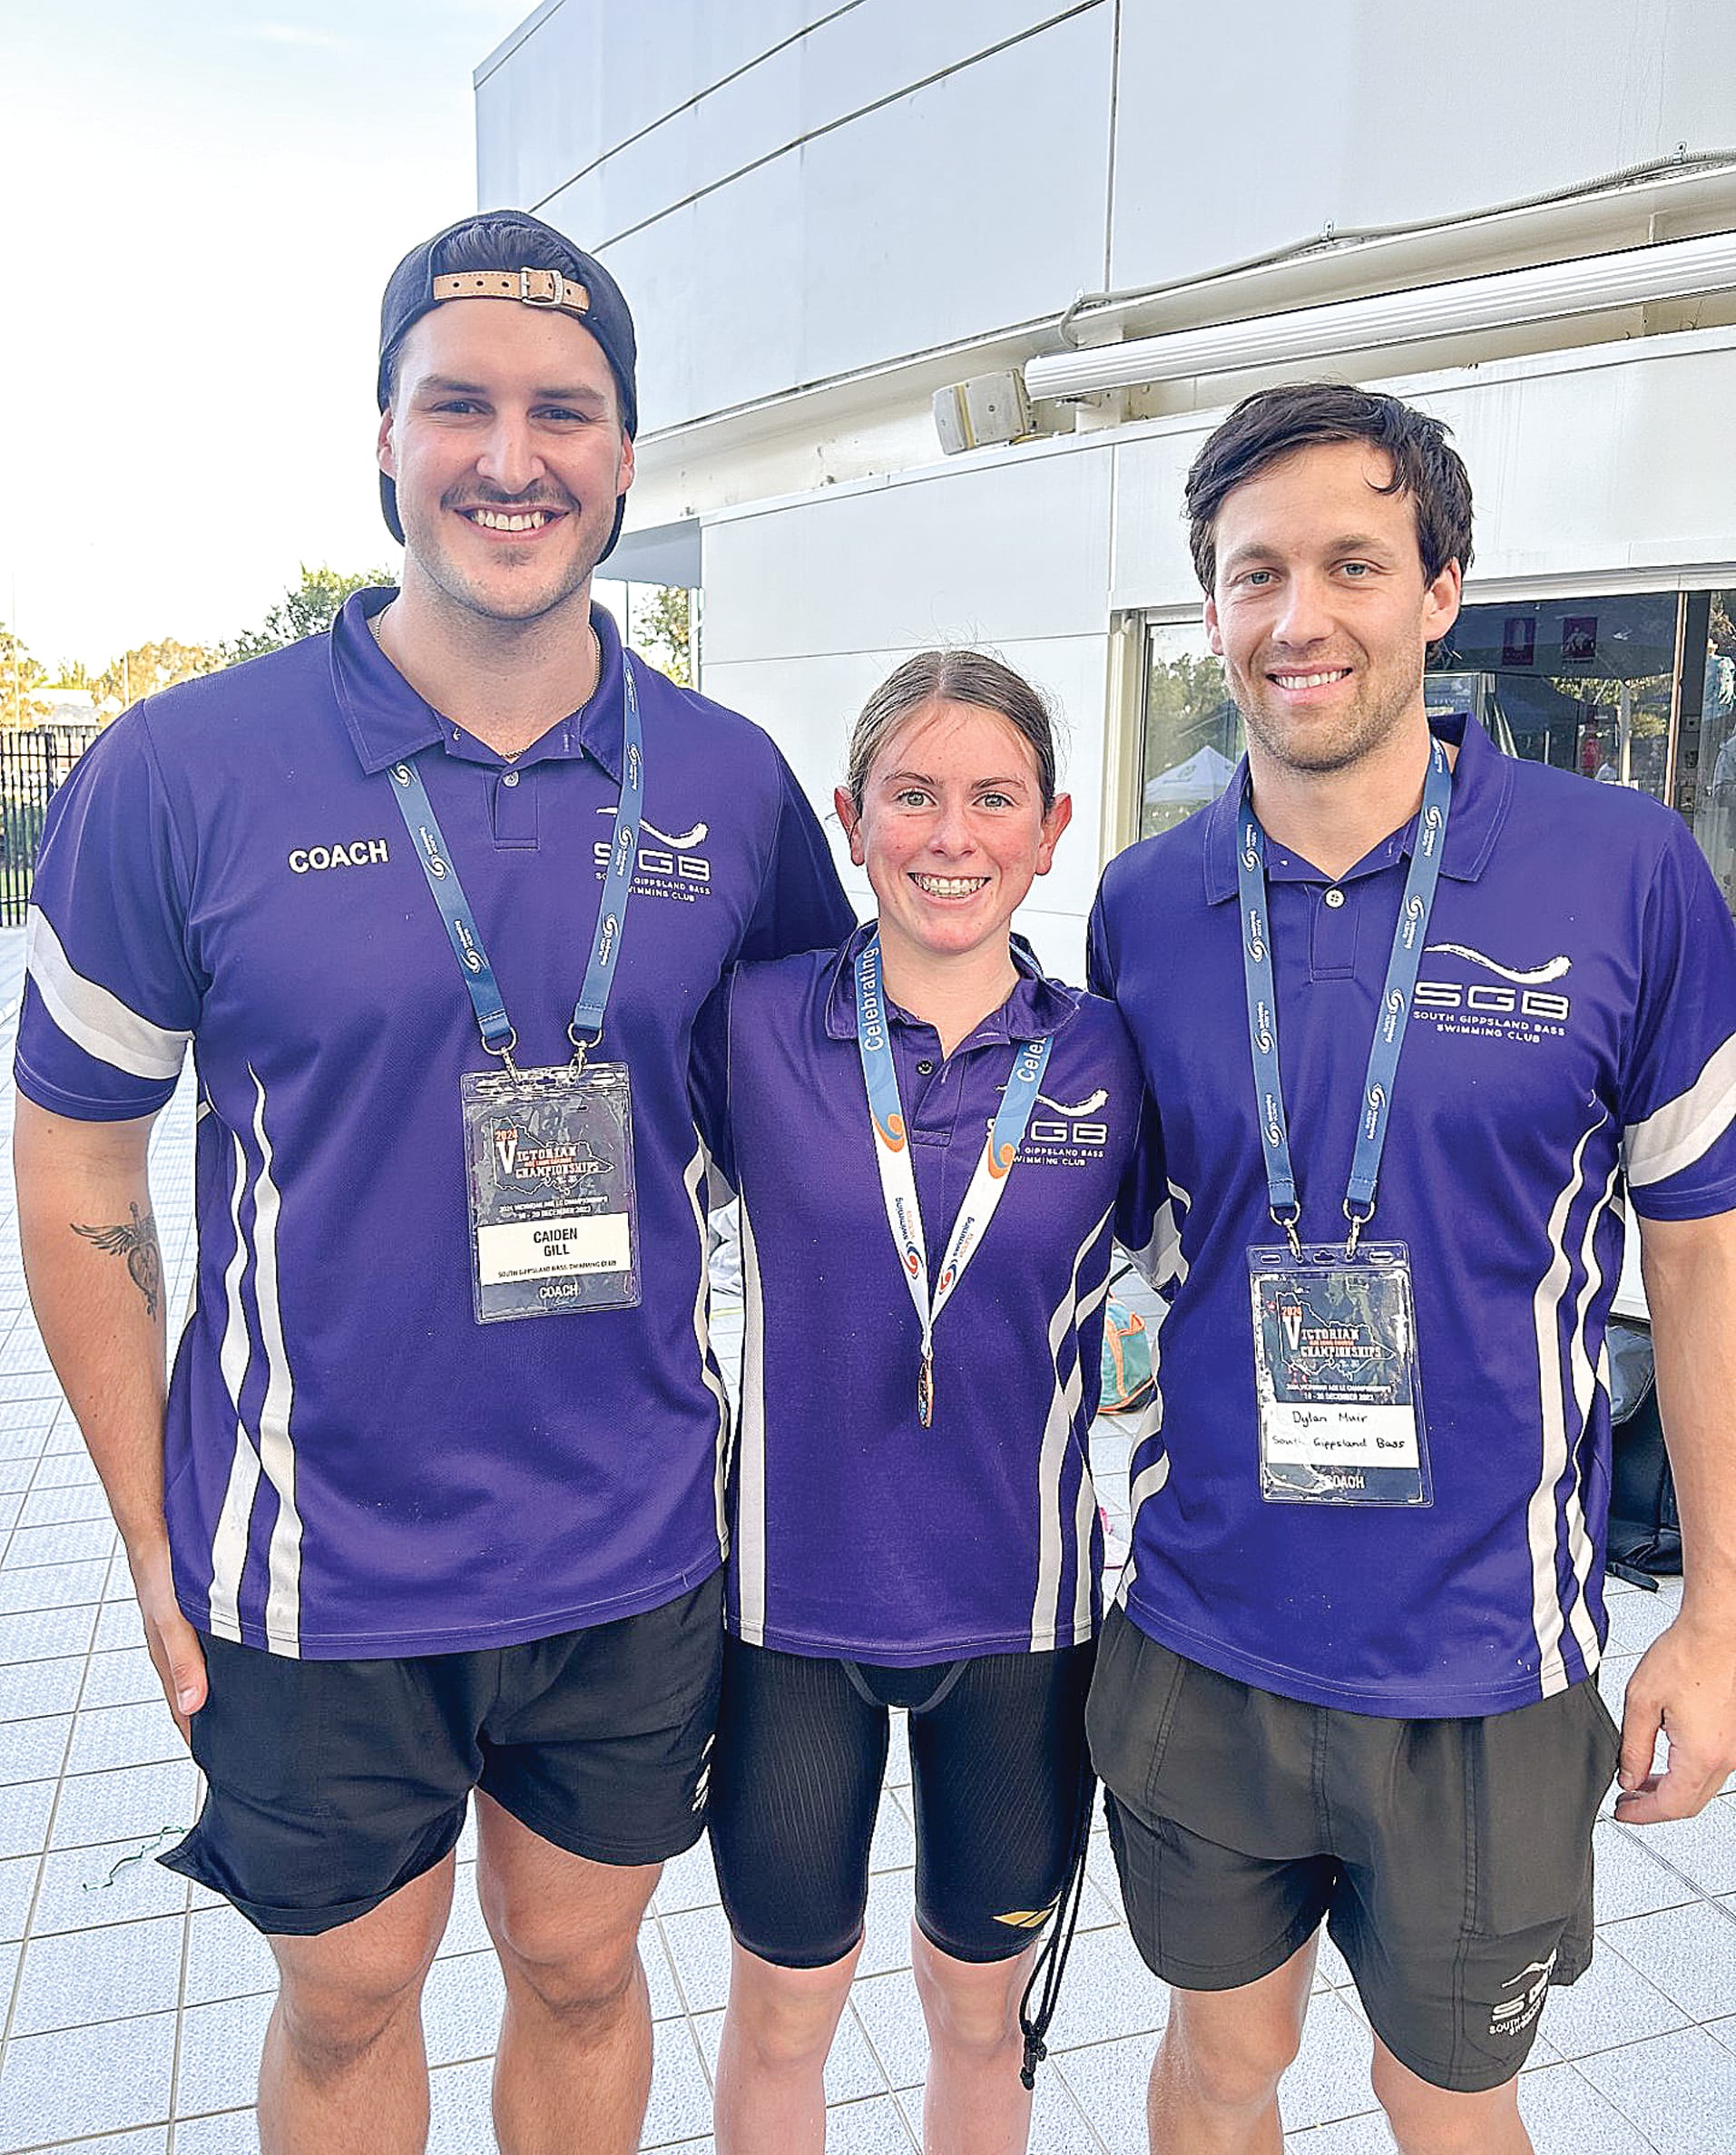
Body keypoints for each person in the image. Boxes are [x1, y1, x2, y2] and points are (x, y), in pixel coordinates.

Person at [11, 211, 853, 2155]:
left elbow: (826, 1116)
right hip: (316, 1564)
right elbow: (73, 1151)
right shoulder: (180, 772)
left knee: (578, 1969)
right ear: (382, 441)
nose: (510, 454)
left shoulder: (729, 788)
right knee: (346, 1996)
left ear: (629, 459)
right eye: (456, 402)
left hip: (634, 1551)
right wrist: (150, 1537)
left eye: (564, 412)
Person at [1087, 382, 1736, 2155]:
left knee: (1447, 2100)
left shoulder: (1625, 874)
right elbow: (1134, 1253)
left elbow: (1702, 1261)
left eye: (1352, 564)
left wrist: (1723, 1613)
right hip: (1201, 1632)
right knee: (1222, 2071)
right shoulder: (1145, 909)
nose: (1299, 619)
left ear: (1442, 590)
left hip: (1486, 1665)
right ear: (1211, 607)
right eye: (1253, 574)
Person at [691, 651, 1147, 2154]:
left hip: (1020, 1624)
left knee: (975, 2015)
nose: (950, 836)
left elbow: (1183, 1294)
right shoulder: (750, 1026)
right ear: (849, 816)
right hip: (789, 1616)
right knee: (779, 2014)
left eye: (991, 799)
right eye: (913, 795)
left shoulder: (1106, 1056)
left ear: (1049, 827)